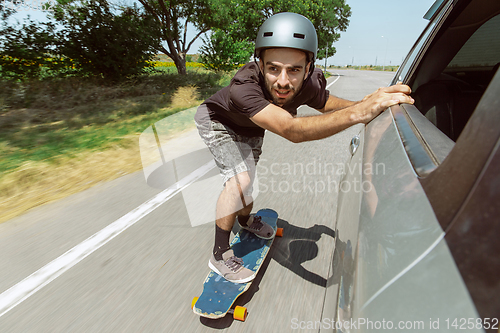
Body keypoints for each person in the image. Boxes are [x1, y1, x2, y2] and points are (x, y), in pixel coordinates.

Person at [194, 12, 414, 283]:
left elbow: (325, 103)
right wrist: (359, 114)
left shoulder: (307, 83)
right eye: (273, 68)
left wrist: (365, 103)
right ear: (260, 65)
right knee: (239, 181)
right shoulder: (244, 87)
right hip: (218, 121)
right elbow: (291, 130)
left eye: (295, 70)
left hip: (251, 126)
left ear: (309, 68)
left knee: (247, 183)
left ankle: (245, 221)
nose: (284, 82)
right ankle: (219, 254)